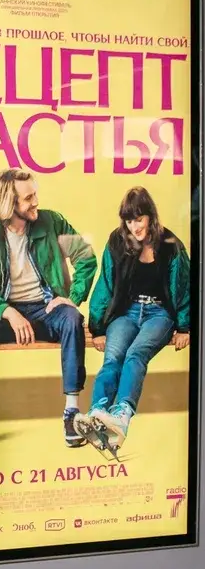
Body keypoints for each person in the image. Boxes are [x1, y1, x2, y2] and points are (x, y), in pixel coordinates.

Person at [0, 169, 97, 452]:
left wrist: (72, 297)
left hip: (46, 310)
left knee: (72, 318)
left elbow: (86, 257)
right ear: (9, 203)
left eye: (35, 194)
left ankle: (72, 412)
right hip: (6, 316)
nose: (36, 202)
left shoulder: (52, 222)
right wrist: (7, 311)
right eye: (28, 198)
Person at [75, 186, 191, 452]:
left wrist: (184, 326)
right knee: (113, 356)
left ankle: (121, 416)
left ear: (150, 216)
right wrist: (97, 328)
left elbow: (183, 287)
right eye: (129, 221)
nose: (134, 227)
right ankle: (97, 412)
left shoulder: (171, 245)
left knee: (135, 354)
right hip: (126, 313)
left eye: (139, 219)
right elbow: (105, 284)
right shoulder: (117, 242)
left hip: (159, 314)